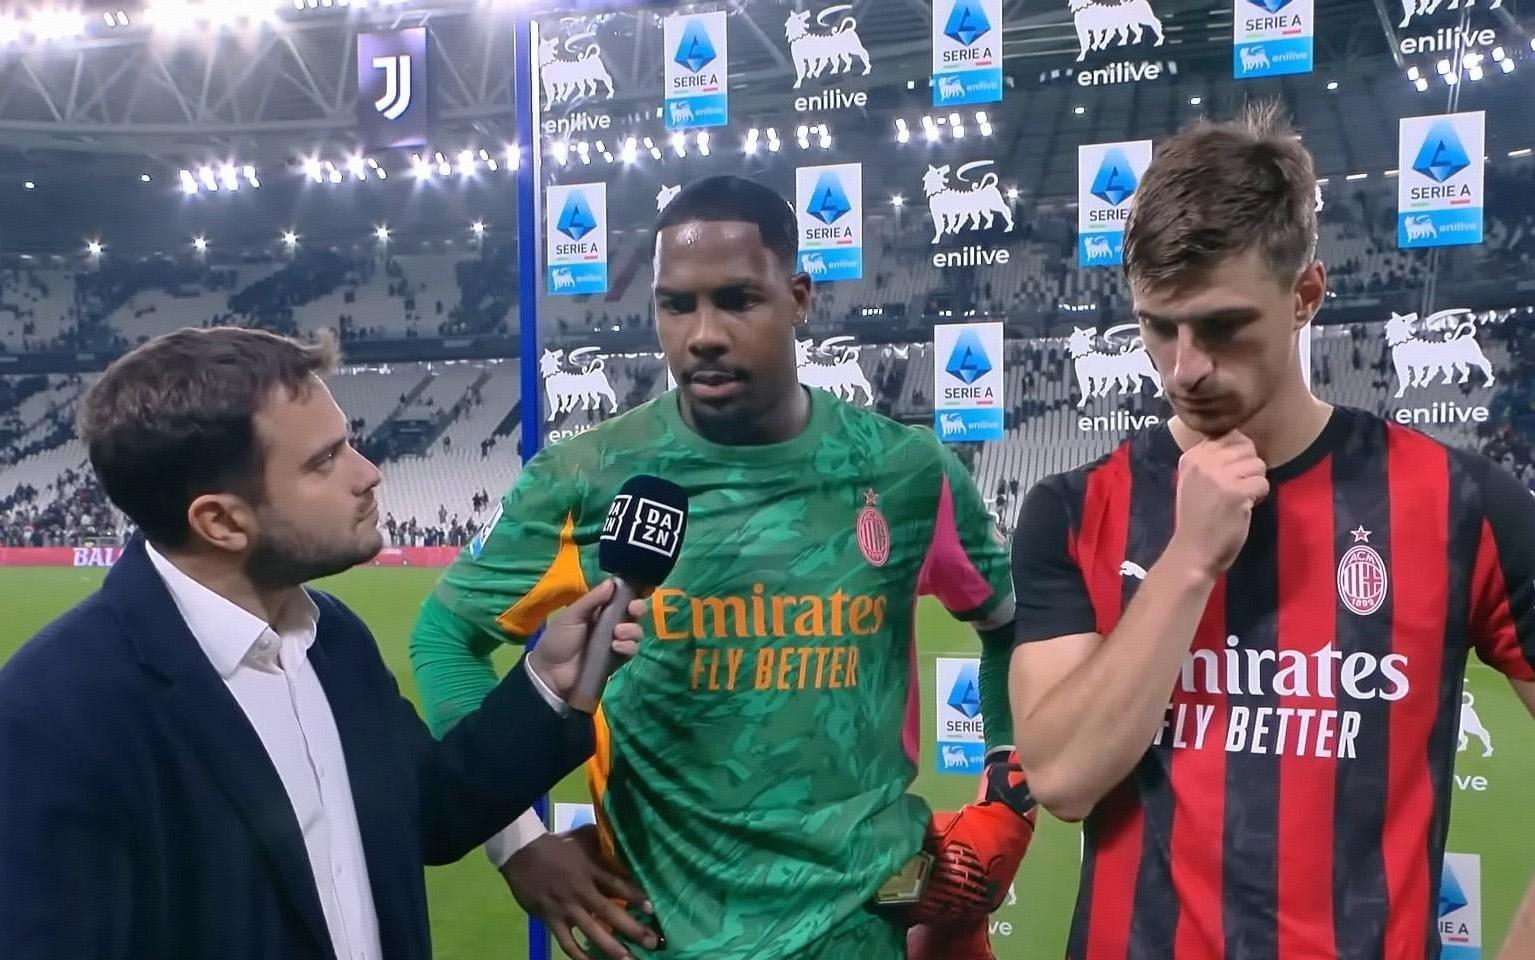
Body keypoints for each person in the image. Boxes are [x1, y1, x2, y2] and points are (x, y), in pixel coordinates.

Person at [408, 175, 1033, 960]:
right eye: (676, 305)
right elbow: (445, 637)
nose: (702, 334)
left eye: (737, 300)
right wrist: (516, 842)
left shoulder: (907, 473)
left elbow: (1010, 627)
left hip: (859, 935)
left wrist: (1007, 791)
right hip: (657, 938)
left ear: (797, 298)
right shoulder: (586, 477)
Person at [1009, 104, 1535, 959]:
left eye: (1222, 326)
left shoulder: (1459, 501)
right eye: (1157, 327)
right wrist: (1186, 561)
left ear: (1304, 297)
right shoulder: (1071, 509)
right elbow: (1061, 778)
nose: (1184, 368)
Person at [0, 327, 648, 960]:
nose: (368, 474)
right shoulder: (57, 716)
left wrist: (545, 685)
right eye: (324, 461)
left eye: (348, 445)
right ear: (221, 521)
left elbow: (430, 812)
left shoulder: (332, 636)